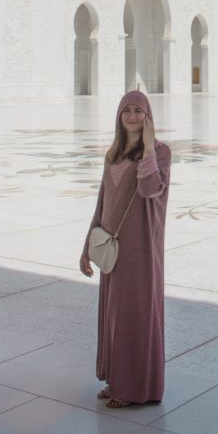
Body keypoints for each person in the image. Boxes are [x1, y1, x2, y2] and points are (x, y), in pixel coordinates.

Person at [80, 90, 171, 408]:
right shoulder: (113, 154)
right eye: (126, 110)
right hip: (112, 249)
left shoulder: (160, 152)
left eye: (138, 110)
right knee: (116, 314)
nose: (132, 116)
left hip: (141, 249)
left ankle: (135, 389)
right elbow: (103, 201)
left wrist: (146, 147)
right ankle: (118, 380)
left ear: (148, 116)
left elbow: (150, 191)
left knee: (137, 314)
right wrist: (87, 245)